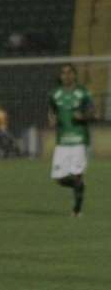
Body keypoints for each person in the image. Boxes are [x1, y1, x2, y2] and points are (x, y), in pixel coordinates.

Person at [48, 64, 95, 216]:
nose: (66, 75)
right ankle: (79, 185)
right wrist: (52, 119)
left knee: (76, 173)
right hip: (62, 141)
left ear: (74, 75)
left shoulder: (83, 92)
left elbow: (94, 113)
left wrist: (84, 116)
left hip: (79, 140)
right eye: (63, 73)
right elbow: (52, 111)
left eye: (69, 72)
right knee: (59, 178)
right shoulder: (54, 94)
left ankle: (77, 210)